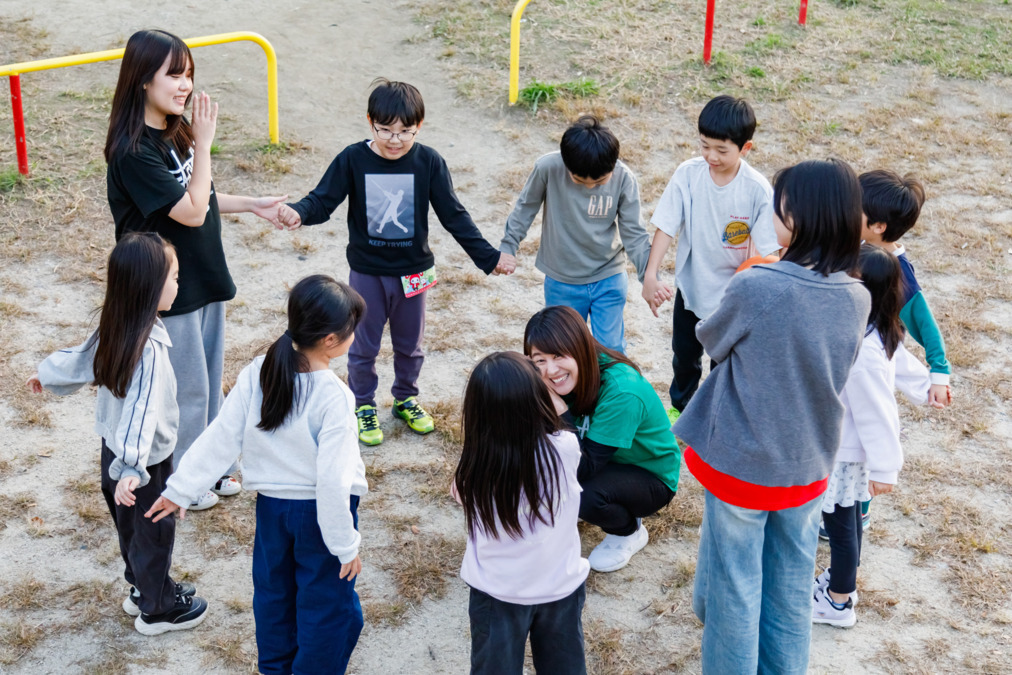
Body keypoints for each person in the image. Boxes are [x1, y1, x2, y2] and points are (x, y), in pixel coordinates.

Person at [673, 158, 871, 674]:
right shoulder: (857, 295)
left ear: (799, 218)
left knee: (737, 588)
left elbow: (711, 339)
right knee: (787, 587)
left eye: (781, 206)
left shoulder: (759, 285)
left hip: (743, 460)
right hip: (807, 464)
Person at [145, 275, 368, 674]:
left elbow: (221, 436)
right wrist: (345, 544)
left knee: (273, 597)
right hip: (321, 518)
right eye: (352, 330)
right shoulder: (335, 396)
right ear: (331, 340)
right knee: (326, 606)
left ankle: (275, 668)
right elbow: (333, 482)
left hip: (271, 513)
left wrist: (182, 488)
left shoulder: (260, 370)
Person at [104, 29, 287, 511]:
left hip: (200, 275)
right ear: (143, 79)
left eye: (189, 74)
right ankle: (187, 477)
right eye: (174, 75)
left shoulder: (172, 130)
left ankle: (213, 464)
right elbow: (189, 212)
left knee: (207, 381)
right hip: (164, 287)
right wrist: (204, 143)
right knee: (184, 390)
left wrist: (252, 204)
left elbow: (200, 196)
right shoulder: (133, 149)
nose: (184, 85)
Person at [277, 78, 516, 446]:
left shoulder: (429, 161)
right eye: (385, 130)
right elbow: (322, 200)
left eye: (405, 131)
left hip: (414, 272)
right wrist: (298, 213)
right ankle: (363, 405)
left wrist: (489, 257)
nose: (395, 139)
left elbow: (454, 215)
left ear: (419, 126)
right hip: (367, 272)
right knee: (362, 345)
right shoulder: (353, 159)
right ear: (370, 121)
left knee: (411, 344)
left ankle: (406, 398)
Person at [27, 233, 208, 636]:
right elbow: (142, 414)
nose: (179, 283)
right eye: (174, 276)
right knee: (155, 531)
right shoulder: (150, 348)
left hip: (114, 452)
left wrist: (46, 373)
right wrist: (133, 468)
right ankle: (158, 608)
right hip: (142, 462)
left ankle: (141, 587)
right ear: (148, 287)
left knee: (131, 528)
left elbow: (81, 359)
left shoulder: (118, 324)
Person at [813, 245, 938, 628]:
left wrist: (886, 469)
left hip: (845, 453)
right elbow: (904, 366)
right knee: (847, 523)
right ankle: (841, 586)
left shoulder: (863, 348)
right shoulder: (876, 329)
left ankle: (837, 602)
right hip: (847, 450)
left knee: (840, 526)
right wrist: (929, 386)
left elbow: (878, 414)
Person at [640, 95, 780, 420]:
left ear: (746, 148)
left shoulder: (757, 190)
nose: (710, 156)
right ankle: (682, 409)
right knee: (684, 357)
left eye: (721, 150)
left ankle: (717, 417)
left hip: (732, 299)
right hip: (691, 289)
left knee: (724, 365)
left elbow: (767, 254)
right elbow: (666, 225)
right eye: (705, 146)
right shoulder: (689, 174)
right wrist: (651, 275)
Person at [453, 351, 589, 674]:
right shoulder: (565, 450)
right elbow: (561, 416)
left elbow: (457, 493)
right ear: (536, 401)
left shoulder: (474, 471)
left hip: (496, 593)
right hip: (560, 587)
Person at [524, 306, 680, 572]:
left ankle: (628, 532)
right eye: (539, 360)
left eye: (559, 355)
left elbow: (580, 468)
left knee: (580, 494)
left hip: (649, 474)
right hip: (603, 459)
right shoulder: (552, 376)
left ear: (580, 347)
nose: (550, 370)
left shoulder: (622, 391)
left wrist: (559, 410)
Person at [499, 115, 649, 352]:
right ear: (566, 163)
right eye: (579, 180)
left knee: (611, 349)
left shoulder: (623, 178)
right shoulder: (548, 168)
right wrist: (508, 247)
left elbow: (634, 233)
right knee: (564, 349)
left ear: (613, 164)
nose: (590, 187)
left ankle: (609, 389)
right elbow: (525, 209)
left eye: (599, 181)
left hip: (608, 276)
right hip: (562, 281)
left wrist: (648, 276)